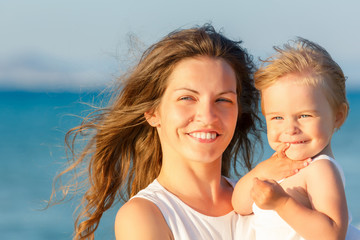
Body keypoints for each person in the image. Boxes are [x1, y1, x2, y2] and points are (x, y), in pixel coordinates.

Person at [50, 24, 309, 240]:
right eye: (187, 98)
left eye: (223, 100)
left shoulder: (264, 196)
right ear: (152, 112)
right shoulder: (144, 216)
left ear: (238, 112)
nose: (207, 116)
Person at [232, 38, 360, 240]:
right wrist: (262, 171)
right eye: (277, 118)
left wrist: (282, 203)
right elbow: (239, 204)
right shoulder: (278, 165)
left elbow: (333, 234)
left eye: (304, 116)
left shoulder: (320, 168)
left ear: (338, 116)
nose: (290, 129)